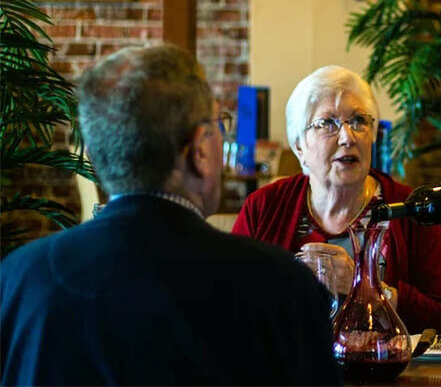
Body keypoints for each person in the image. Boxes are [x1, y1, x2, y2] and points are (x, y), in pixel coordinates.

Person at [0, 45, 340, 386]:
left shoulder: (18, 278)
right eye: (218, 127)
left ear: (92, 155)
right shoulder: (281, 286)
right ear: (201, 150)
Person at [232, 65, 441, 334]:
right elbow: (230, 304)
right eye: (327, 124)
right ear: (300, 147)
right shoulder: (263, 207)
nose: (347, 137)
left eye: (359, 121)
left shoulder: (410, 208)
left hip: (385, 371)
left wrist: (367, 289)